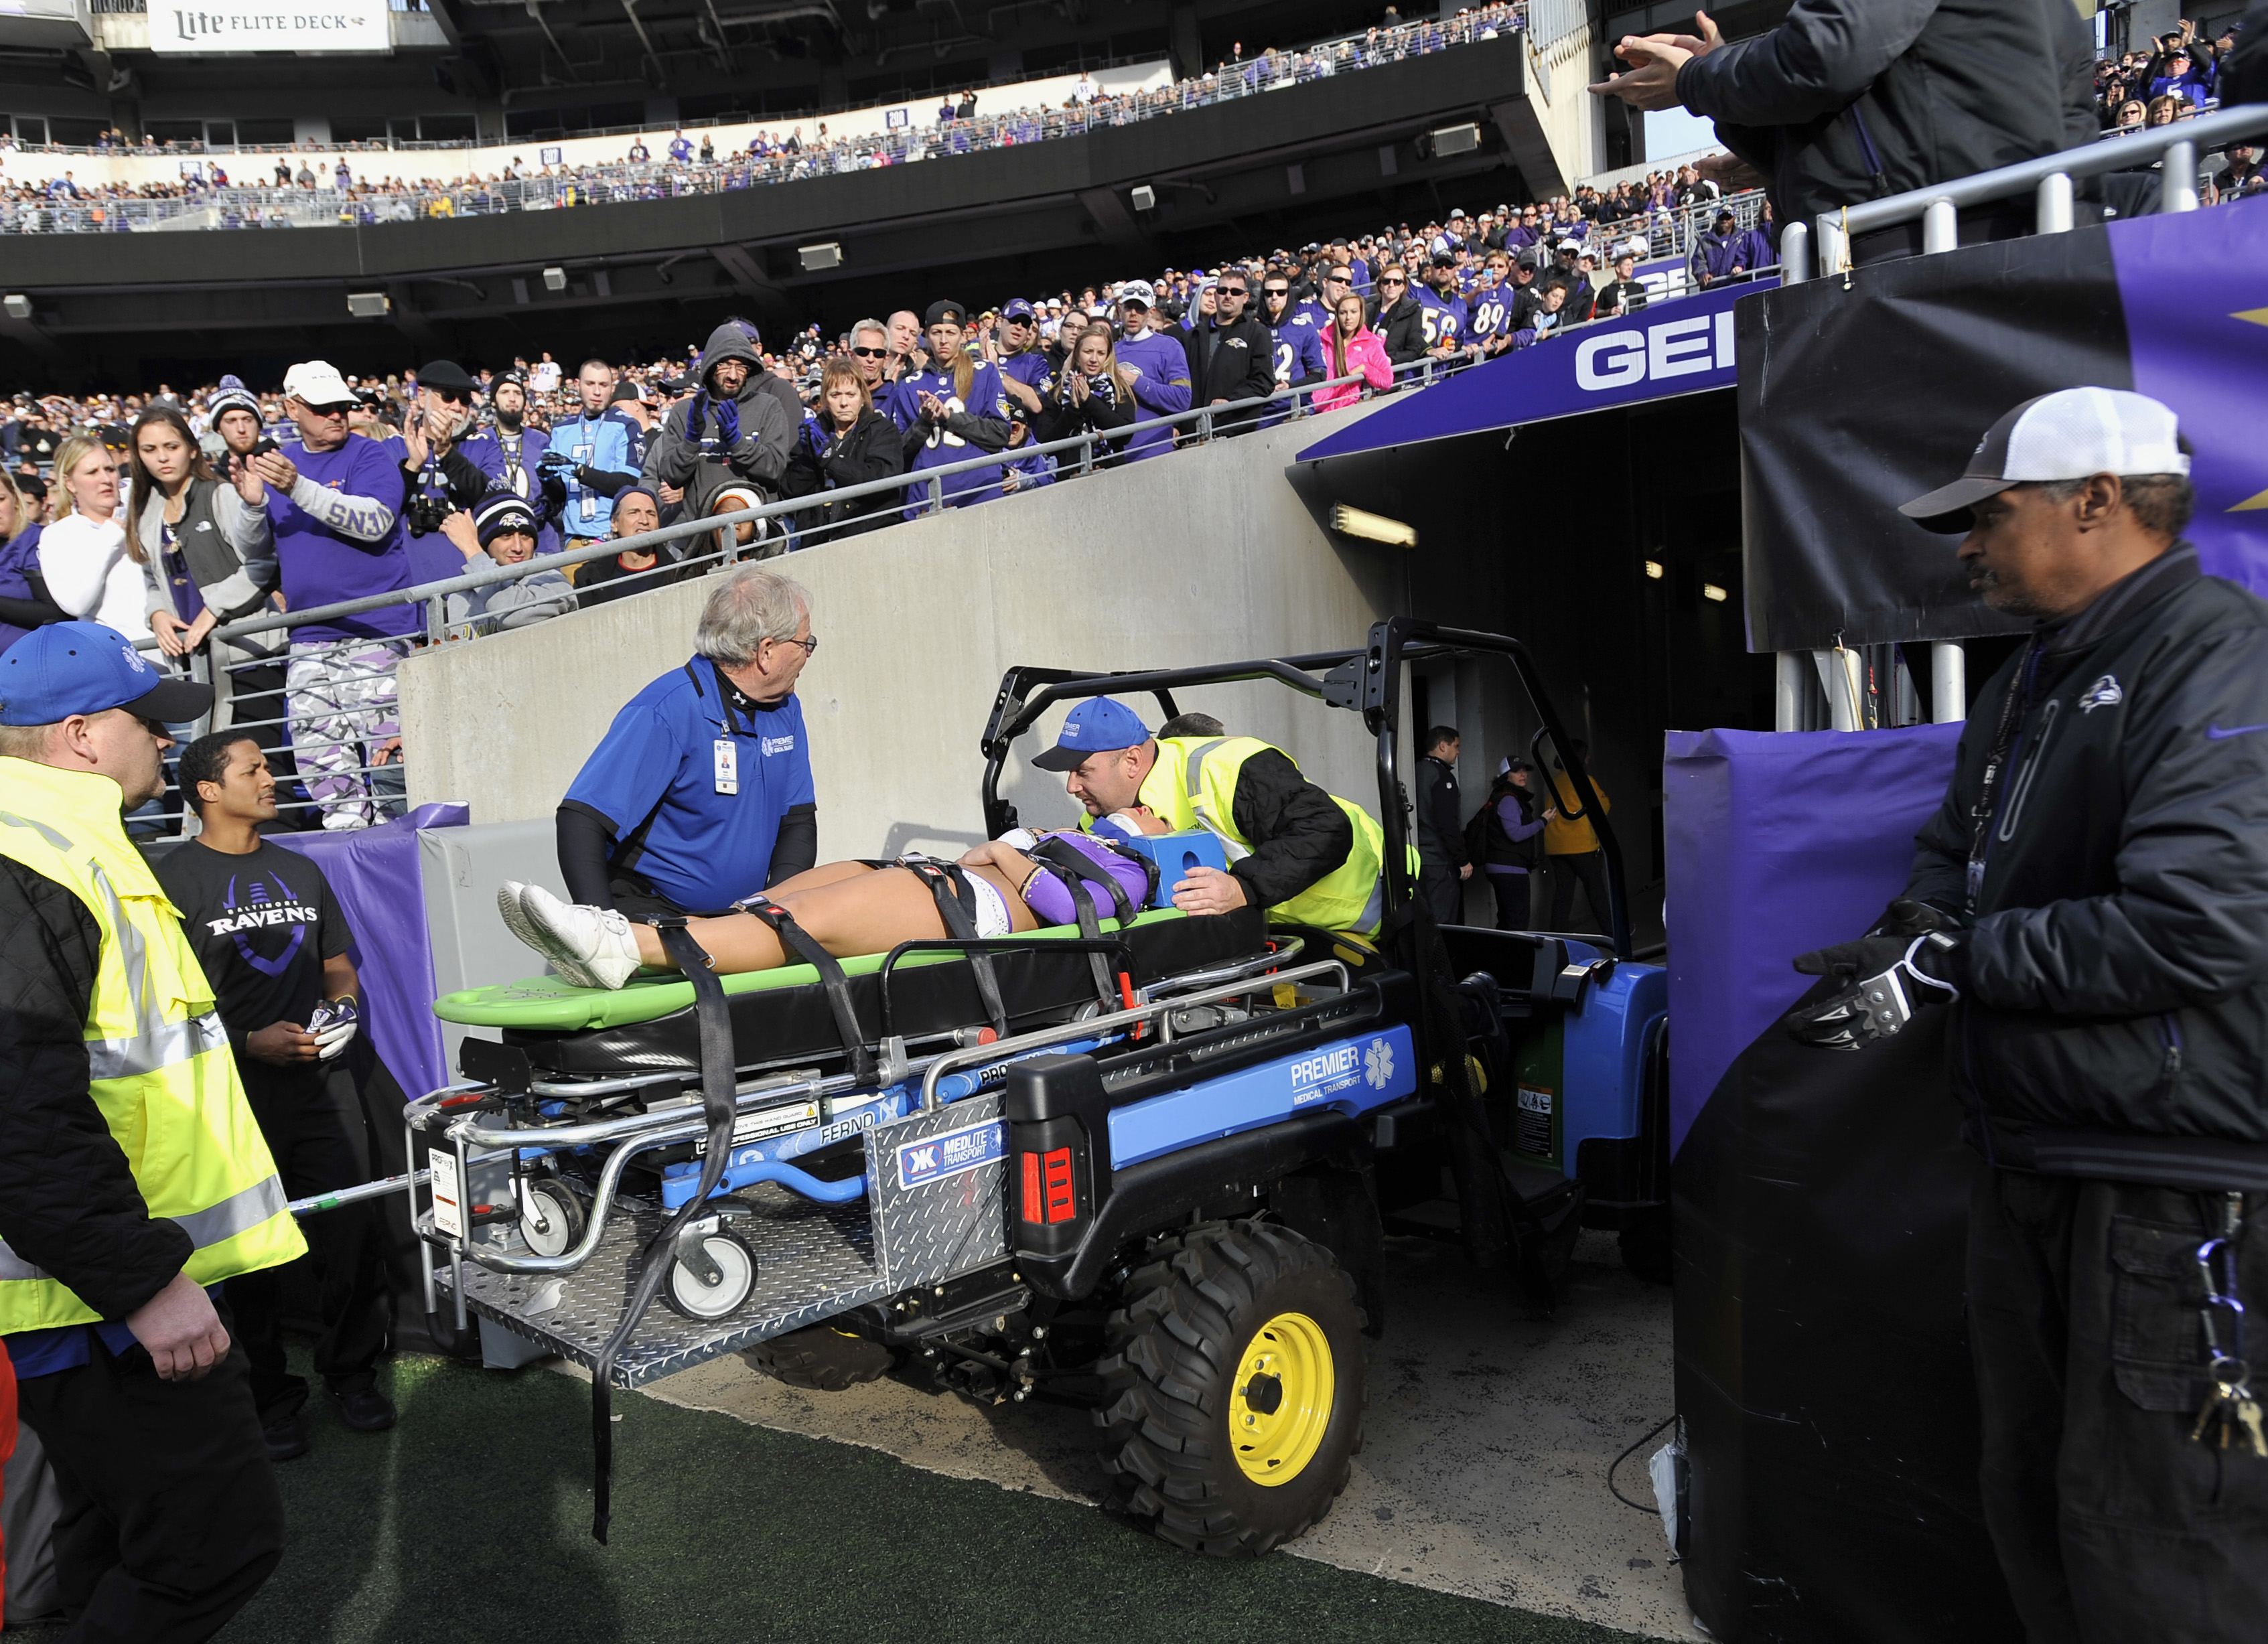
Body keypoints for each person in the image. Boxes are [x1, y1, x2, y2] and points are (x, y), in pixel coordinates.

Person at [1784, 387, 2268, 1643]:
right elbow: (1951, 859)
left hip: (2166, 1187)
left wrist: (1953, 963)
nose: (1967, 546)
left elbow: (2200, 925)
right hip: (2027, 1163)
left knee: (2163, 1545)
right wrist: (1899, 949)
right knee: (2033, 1503)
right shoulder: (2027, 678)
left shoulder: (2216, 649)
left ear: (2097, 503)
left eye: (1991, 515)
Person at [0, 624, 305, 1639]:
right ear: (82, 734)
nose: (168, 744)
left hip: (97, 1295)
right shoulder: (28, 855)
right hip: (101, 1304)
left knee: (92, 1562)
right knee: (210, 1547)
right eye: (150, 722)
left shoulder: (67, 843)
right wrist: (144, 1283)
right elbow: (18, 1114)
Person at [155, 732, 394, 1463]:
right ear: (206, 790)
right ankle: (269, 1396)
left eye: (265, 766)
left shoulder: (300, 869)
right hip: (231, 1099)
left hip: (326, 1088)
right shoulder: (170, 880)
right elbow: (165, 1009)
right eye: (250, 769)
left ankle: (352, 1374)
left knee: (353, 1231)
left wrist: (344, 1014)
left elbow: (340, 972)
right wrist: (246, 1039)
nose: (268, 777)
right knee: (248, 1252)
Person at [1589, 1, 2096, 267]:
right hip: (1975, 250)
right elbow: (1874, 115)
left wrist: (1693, 80)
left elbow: (1824, 57)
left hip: (1920, 257)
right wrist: (1714, 72)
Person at [500, 822, 1158, 990]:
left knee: (803, 923)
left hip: (971, 907)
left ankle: (626, 951)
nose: (1076, 787)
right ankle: (628, 940)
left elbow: (1070, 909)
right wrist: (1011, 855)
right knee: (779, 899)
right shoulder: (1082, 834)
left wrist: (1006, 855)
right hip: (951, 883)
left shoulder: (1134, 864)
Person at [553, 566, 819, 919]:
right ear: (766, 652)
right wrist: (603, 929)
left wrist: (775, 910)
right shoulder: (668, 708)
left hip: (740, 921)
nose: (808, 655)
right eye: (805, 644)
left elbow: (797, 823)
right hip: (657, 913)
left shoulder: (786, 708)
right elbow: (582, 819)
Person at [1035, 695, 1392, 936]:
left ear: (1131, 761)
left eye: (1082, 771)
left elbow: (1326, 829)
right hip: (1288, 930)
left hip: (1383, 899)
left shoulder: (1224, 767)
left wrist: (1242, 887)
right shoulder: (1101, 821)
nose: (1071, 787)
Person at [262, 359, 418, 831]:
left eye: (343, 407)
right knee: (323, 767)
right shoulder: (278, 465)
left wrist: (297, 487)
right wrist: (252, 507)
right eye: (323, 406)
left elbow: (375, 522)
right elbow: (255, 553)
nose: (337, 415)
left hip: (377, 632)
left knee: (394, 772)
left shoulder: (369, 455)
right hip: (310, 639)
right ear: (292, 407)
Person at [643, 321, 797, 548]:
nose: (733, 375)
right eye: (724, 365)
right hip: (703, 538)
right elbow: (672, 475)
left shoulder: (768, 406)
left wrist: (737, 442)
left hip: (759, 536)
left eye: (741, 366)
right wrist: (691, 441)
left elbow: (774, 469)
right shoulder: (685, 411)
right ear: (711, 366)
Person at [879, 299, 1013, 516]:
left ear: (962, 335)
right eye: (936, 332)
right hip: (927, 499)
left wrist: (950, 417)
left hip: (980, 495)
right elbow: (899, 453)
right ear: (926, 337)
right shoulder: (910, 386)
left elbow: (1000, 435)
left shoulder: (985, 372)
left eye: (950, 332)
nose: (943, 340)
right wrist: (923, 423)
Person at [782, 355, 904, 540]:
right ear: (825, 399)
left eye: (851, 394)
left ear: (863, 396)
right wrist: (808, 459)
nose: (844, 403)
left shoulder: (882, 430)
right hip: (818, 541)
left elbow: (881, 482)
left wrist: (829, 459)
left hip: (868, 537)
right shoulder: (815, 431)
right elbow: (789, 491)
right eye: (835, 395)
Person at [38, 437, 148, 644]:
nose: (106, 479)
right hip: (119, 657)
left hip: (177, 651)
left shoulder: (144, 517)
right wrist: (110, 538)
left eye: (110, 469)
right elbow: (75, 604)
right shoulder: (58, 534)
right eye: (92, 472)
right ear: (69, 483)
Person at [543, 359, 644, 553]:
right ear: (577, 385)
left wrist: (580, 470)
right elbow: (559, 495)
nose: (597, 392)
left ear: (611, 388)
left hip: (614, 539)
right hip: (573, 540)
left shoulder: (627, 425)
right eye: (590, 384)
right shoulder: (560, 430)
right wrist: (546, 479)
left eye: (603, 385)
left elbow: (629, 482)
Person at [457, 370, 557, 556]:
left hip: (541, 538)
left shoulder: (543, 440)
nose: (512, 398)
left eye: (517, 393)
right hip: (494, 542)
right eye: (505, 392)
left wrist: (549, 503)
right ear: (493, 401)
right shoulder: (479, 441)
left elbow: (559, 490)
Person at [445, 493, 575, 635]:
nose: (518, 547)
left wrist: (472, 549)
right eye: (506, 536)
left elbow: (513, 615)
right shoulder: (460, 596)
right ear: (486, 543)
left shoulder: (554, 582)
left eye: (525, 535)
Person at [1181, 270, 1277, 435]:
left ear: (1245, 297)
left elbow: (1264, 382)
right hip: (1193, 433)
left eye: (1235, 292)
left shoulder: (1258, 333)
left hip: (1235, 431)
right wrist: (1178, 425)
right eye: (1222, 290)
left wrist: (1230, 401)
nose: (1228, 296)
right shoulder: (1192, 336)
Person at [1109, 283, 1194, 463]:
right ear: (1119, 310)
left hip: (1155, 455)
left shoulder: (1169, 346)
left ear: (1150, 312)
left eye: (1140, 309)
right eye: (1128, 307)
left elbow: (1182, 399)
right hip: (1114, 456)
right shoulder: (1108, 351)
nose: (1133, 313)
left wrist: (1138, 382)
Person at [1034, 324, 1142, 463]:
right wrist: (1073, 409)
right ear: (1077, 354)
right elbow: (1046, 441)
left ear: (1108, 356)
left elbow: (1125, 436)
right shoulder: (1058, 390)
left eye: (1101, 353)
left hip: (1110, 471)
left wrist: (1090, 401)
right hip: (1069, 474)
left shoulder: (1119, 389)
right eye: (1088, 351)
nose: (1094, 359)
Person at [574, 486, 685, 608]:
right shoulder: (589, 578)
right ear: (614, 523)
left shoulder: (678, 571)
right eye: (634, 513)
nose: (644, 520)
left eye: (651, 513)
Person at [1541, 738, 1610, 932]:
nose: (1589, 758)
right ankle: (1613, 931)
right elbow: (1603, 807)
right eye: (1587, 754)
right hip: (1581, 846)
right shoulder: (1585, 780)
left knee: (1563, 892)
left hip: (1555, 846)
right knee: (1596, 890)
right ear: (1581, 758)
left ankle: (1557, 932)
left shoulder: (1555, 781)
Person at [1472, 757, 1545, 931]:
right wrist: (1543, 821)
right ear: (1505, 776)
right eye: (1516, 771)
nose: (1523, 774)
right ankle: (1514, 958)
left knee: (1507, 921)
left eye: (1525, 770)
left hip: (1503, 867)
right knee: (1516, 923)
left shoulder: (1503, 797)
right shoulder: (1509, 800)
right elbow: (1515, 834)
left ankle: (1503, 957)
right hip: (1509, 868)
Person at [0, 466, 64, 655]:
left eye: (0, 499)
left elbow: (55, 612)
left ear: (15, 499)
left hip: (31, 663)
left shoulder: (34, 540)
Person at [1413, 725, 1468, 923]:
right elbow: (1447, 822)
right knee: (1442, 919)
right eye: (1456, 746)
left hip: (1418, 858)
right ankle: (1439, 954)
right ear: (1443, 746)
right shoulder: (1442, 776)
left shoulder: (1415, 770)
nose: (1458, 752)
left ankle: (1425, 954)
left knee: (1424, 918)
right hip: (1439, 860)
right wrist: (1462, 859)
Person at [1314, 292, 1394, 413]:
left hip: (1349, 410)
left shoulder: (1370, 342)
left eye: (1354, 312)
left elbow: (1387, 380)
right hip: (1317, 409)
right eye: (1343, 313)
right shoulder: (1323, 338)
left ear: (1361, 314)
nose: (1348, 318)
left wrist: (1364, 368)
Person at [1372, 265, 1427, 368]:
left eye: (1397, 282)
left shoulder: (1412, 311)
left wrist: (1390, 360)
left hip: (1393, 374)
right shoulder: (1368, 310)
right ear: (1380, 285)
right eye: (1386, 281)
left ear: (1403, 287)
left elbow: (1413, 351)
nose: (1391, 285)